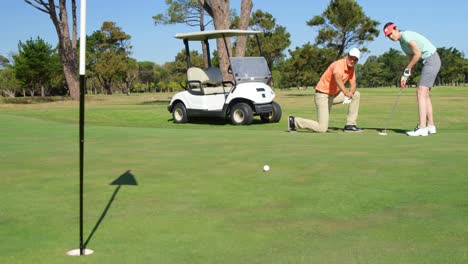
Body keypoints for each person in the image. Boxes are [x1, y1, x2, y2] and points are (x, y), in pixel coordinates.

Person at [383, 22, 441, 136]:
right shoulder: (402, 44)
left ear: (396, 29)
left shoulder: (406, 36)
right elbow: (412, 59)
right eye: (388, 36)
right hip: (430, 61)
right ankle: (431, 126)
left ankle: (422, 127)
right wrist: (406, 75)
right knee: (425, 94)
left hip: (431, 60)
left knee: (420, 92)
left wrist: (407, 69)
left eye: (391, 33)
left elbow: (418, 54)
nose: (391, 37)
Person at [288, 48, 364, 133]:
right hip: (322, 96)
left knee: (356, 95)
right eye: (351, 58)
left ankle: (350, 125)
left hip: (334, 96)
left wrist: (351, 92)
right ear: (347, 56)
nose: (352, 61)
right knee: (322, 128)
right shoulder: (339, 64)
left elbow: (353, 83)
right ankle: (294, 121)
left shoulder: (351, 69)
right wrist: (346, 92)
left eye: (355, 59)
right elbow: (337, 78)